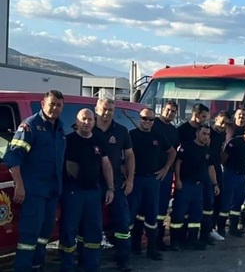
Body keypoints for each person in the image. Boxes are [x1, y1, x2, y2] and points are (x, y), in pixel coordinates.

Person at [4, 90, 66, 272]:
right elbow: (13, 158)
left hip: (52, 192)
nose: (55, 108)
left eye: (59, 105)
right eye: (51, 104)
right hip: (34, 192)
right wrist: (20, 185)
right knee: (29, 237)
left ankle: (37, 266)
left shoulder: (60, 128)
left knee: (44, 235)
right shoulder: (30, 126)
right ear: (42, 104)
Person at [59, 109, 115, 271]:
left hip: (93, 193)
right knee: (69, 229)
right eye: (84, 119)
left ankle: (91, 265)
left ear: (94, 122)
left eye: (90, 119)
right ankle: (67, 265)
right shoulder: (67, 140)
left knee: (94, 230)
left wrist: (110, 188)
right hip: (72, 192)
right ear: (76, 122)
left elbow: (106, 165)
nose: (87, 122)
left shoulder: (98, 141)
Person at [128, 108, 176, 261]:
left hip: (152, 180)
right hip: (135, 179)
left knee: (151, 215)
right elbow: (124, 156)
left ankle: (152, 249)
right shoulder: (131, 135)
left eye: (150, 119)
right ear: (139, 119)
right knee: (131, 215)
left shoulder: (158, 137)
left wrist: (166, 169)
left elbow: (172, 152)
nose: (147, 122)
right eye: (144, 118)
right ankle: (130, 247)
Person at [93, 98, 135, 271]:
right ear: (96, 109)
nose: (107, 112)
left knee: (122, 222)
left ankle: (123, 258)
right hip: (92, 183)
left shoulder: (121, 131)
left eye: (111, 109)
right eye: (104, 109)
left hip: (116, 183)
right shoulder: (87, 127)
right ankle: (87, 259)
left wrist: (130, 179)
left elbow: (130, 156)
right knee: (90, 222)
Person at [170, 125, 218, 250]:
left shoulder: (208, 151)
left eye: (208, 134)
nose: (206, 136)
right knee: (179, 214)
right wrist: (178, 180)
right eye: (204, 133)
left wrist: (215, 184)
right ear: (197, 133)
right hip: (186, 184)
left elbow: (211, 168)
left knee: (196, 215)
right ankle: (175, 241)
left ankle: (192, 240)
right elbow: (178, 163)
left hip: (199, 187)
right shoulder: (187, 146)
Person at [218, 125, 245, 237]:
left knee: (238, 201)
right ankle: (220, 228)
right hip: (230, 174)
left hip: (242, 176)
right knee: (226, 201)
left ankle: (233, 227)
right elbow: (223, 157)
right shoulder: (235, 142)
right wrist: (227, 170)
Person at [151, 101, 180, 251]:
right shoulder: (152, 123)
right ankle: (143, 241)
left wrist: (168, 169)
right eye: (168, 110)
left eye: (173, 111)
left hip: (166, 173)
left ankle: (159, 240)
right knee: (148, 208)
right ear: (162, 110)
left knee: (162, 209)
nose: (170, 113)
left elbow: (174, 152)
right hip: (150, 173)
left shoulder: (174, 131)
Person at [208, 111, 229, 241]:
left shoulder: (223, 135)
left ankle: (213, 227)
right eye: (221, 121)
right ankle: (207, 230)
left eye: (226, 123)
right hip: (206, 168)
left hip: (217, 167)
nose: (223, 125)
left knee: (218, 199)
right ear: (215, 119)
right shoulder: (208, 133)